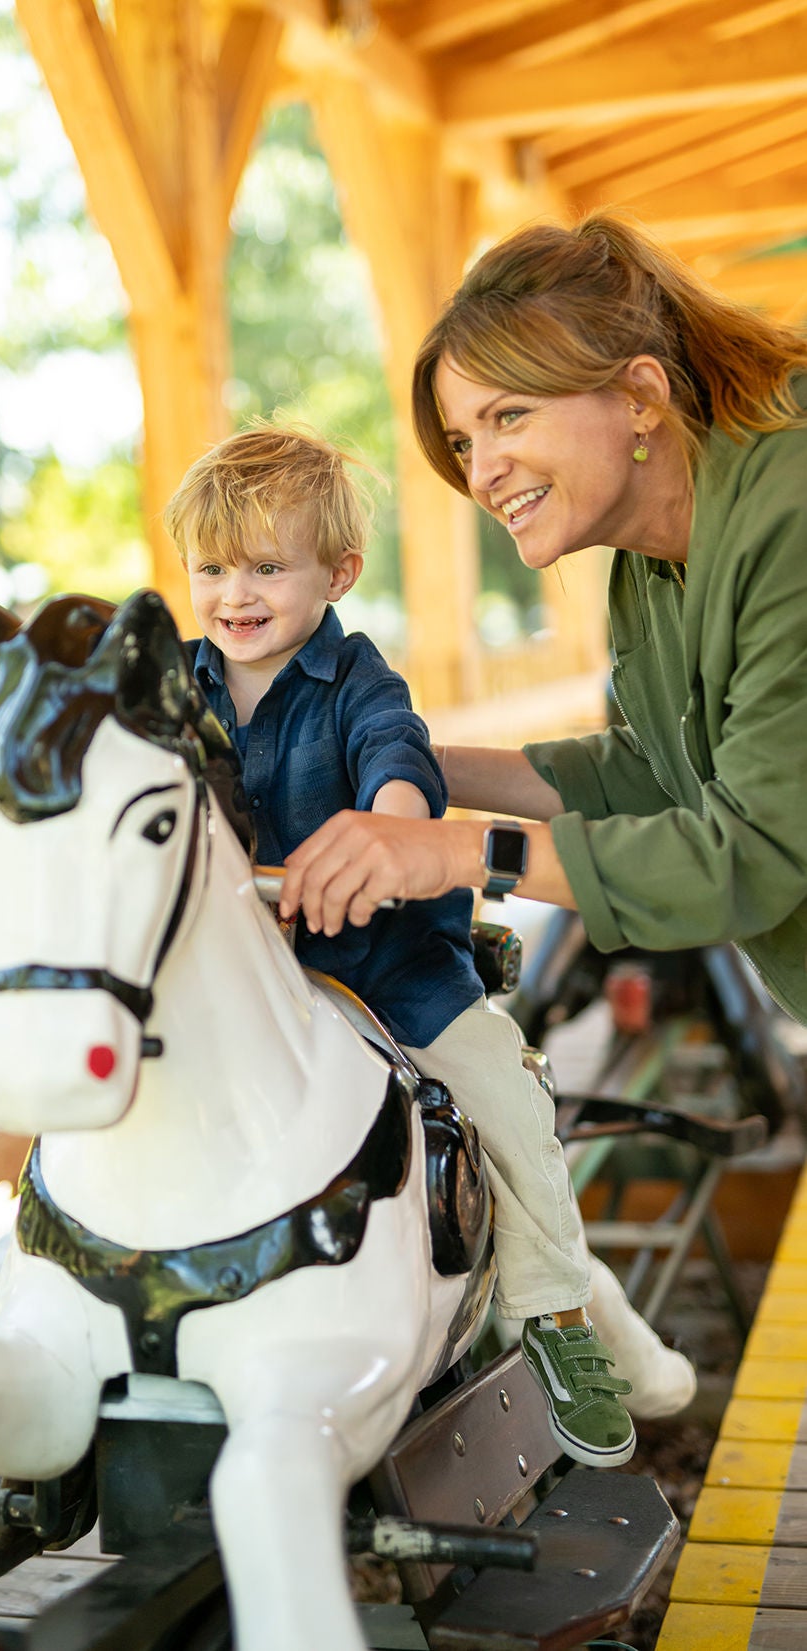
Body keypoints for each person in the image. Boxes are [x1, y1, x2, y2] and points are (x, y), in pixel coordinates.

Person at [164, 422, 640, 1469]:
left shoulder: (357, 683)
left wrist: (392, 823)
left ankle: (556, 1315)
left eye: (266, 567)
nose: (235, 593)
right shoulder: (177, 688)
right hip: (248, 968)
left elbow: (401, 763)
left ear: (337, 573)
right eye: (211, 567)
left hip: (384, 963)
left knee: (503, 1090)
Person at [277, 212, 807, 1038]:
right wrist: (412, 762)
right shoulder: (648, 566)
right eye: (461, 440)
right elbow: (656, 770)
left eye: (509, 416)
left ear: (638, 396)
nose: (480, 473)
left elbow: (747, 857)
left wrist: (452, 854)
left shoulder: (790, 510)